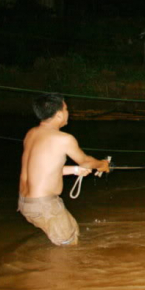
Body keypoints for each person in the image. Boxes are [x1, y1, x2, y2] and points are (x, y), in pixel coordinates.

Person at [18, 93, 110, 246]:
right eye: (66, 109)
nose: (69, 112)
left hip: (26, 203)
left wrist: (75, 170)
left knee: (73, 230)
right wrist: (102, 165)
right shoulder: (63, 139)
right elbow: (86, 161)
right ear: (59, 114)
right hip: (45, 206)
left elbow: (43, 170)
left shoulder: (31, 134)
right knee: (68, 251)